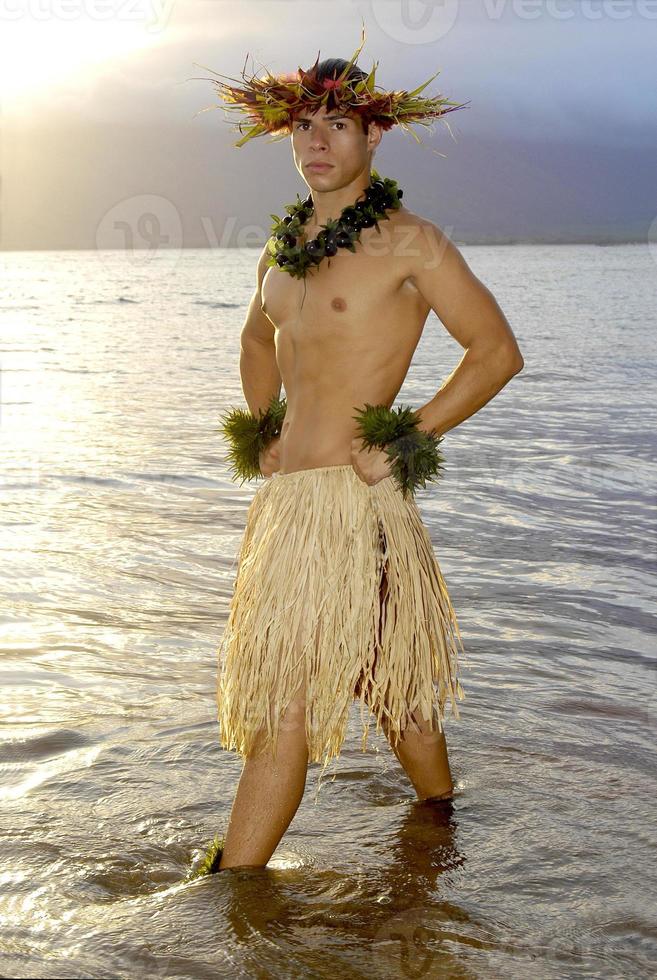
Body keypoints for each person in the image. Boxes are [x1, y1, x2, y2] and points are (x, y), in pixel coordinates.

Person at [195, 34, 524, 874]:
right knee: (394, 685)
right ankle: (440, 833)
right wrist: (261, 425)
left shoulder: (410, 243)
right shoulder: (278, 247)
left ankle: (227, 891)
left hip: (352, 504)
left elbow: (494, 351)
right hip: (285, 510)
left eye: (337, 124)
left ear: (373, 135)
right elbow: (254, 342)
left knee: (283, 711)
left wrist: (409, 437)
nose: (316, 141)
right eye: (303, 125)